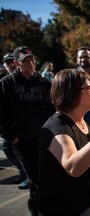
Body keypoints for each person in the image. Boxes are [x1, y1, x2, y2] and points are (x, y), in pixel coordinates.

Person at [37, 69, 90, 215]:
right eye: (88, 87)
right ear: (72, 93)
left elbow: (88, 149)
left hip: (81, 204)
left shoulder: (81, 120)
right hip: (60, 209)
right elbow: (73, 166)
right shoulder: (58, 127)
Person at [0, 46, 56, 215]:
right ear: (17, 63)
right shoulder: (6, 84)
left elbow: (54, 110)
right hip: (22, 143)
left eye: (32, 59)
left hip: (43, 140)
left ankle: (35, 208)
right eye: (25, 60)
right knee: (38, 179)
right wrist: (11, 137)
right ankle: (43, 210)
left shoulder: (45, 83)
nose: (30, 63)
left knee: (40, 178)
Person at [0, 52, 29, 189]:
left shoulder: (28, 78)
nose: (10, 64)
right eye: (7, 63)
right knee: (7, 146)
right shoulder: (5, 83)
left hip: (27, 129)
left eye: (12, 61)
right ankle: (24, 172)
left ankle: (26, 174)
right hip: (12, 129)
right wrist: (8, 134)